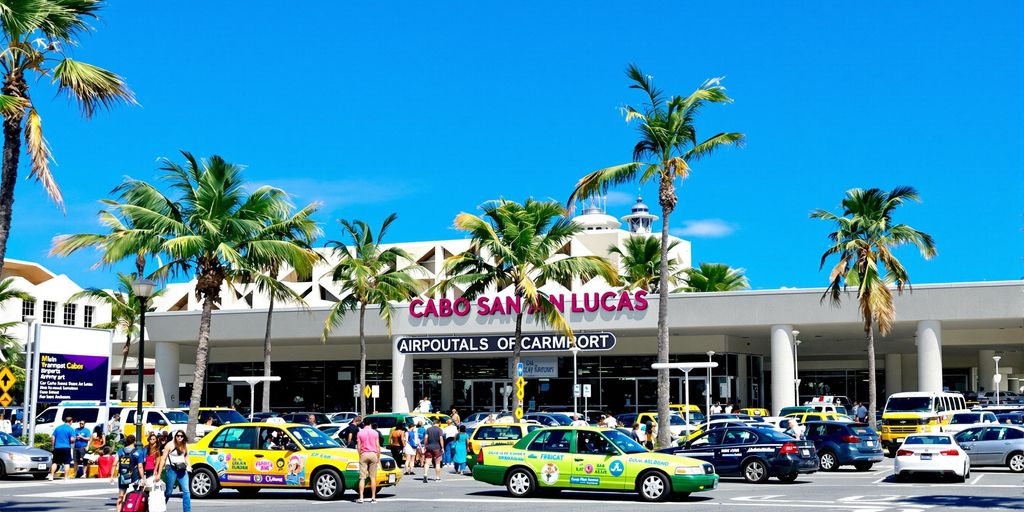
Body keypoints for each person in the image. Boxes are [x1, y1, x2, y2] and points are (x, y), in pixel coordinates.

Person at [162, 430, 191, 512]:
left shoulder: (184, 445)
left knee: (186, 491)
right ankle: (161, 506)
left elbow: (186, 457)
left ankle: (187, 511)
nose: (180, 437)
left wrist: (189, 466)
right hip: (172, 469)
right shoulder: (169, 445)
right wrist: (159, 471)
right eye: (178, 435)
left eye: (181, 436)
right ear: (175, 436)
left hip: (182, 470)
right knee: (169, 492)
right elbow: (163, 458)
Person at [112, 435, 140, 512]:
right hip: (134, 475)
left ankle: (118, 510)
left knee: (121, 496)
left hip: (122, 475)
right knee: (134, 496)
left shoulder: (120, 451)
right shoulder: (137, 452)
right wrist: (142, 478)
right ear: (134, 442)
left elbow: (114, 463)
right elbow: (140, 466)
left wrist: (111, 476)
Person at [356, 421, 381, 503]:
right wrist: (378, 457)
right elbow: (377, 446)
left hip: (364, 454)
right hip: (373, 454)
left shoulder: (360, 433)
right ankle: (373, 497)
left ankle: (361, 497)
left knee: (362, 477)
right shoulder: (375, 433)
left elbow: (358, 446)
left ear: (363, 425)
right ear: (370, 424)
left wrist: (360, 455)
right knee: (373, 477)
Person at [48, 416, 75, 480]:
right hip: (66, 447)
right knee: (66, 463)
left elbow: (53, 437)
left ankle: (51, 476)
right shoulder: (70, 429)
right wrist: (74, 440)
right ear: (71, 421)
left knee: (55, 462)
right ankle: (65, 477)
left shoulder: (58, 428)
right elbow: (72, 439)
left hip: (57, 447)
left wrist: (53, 446)